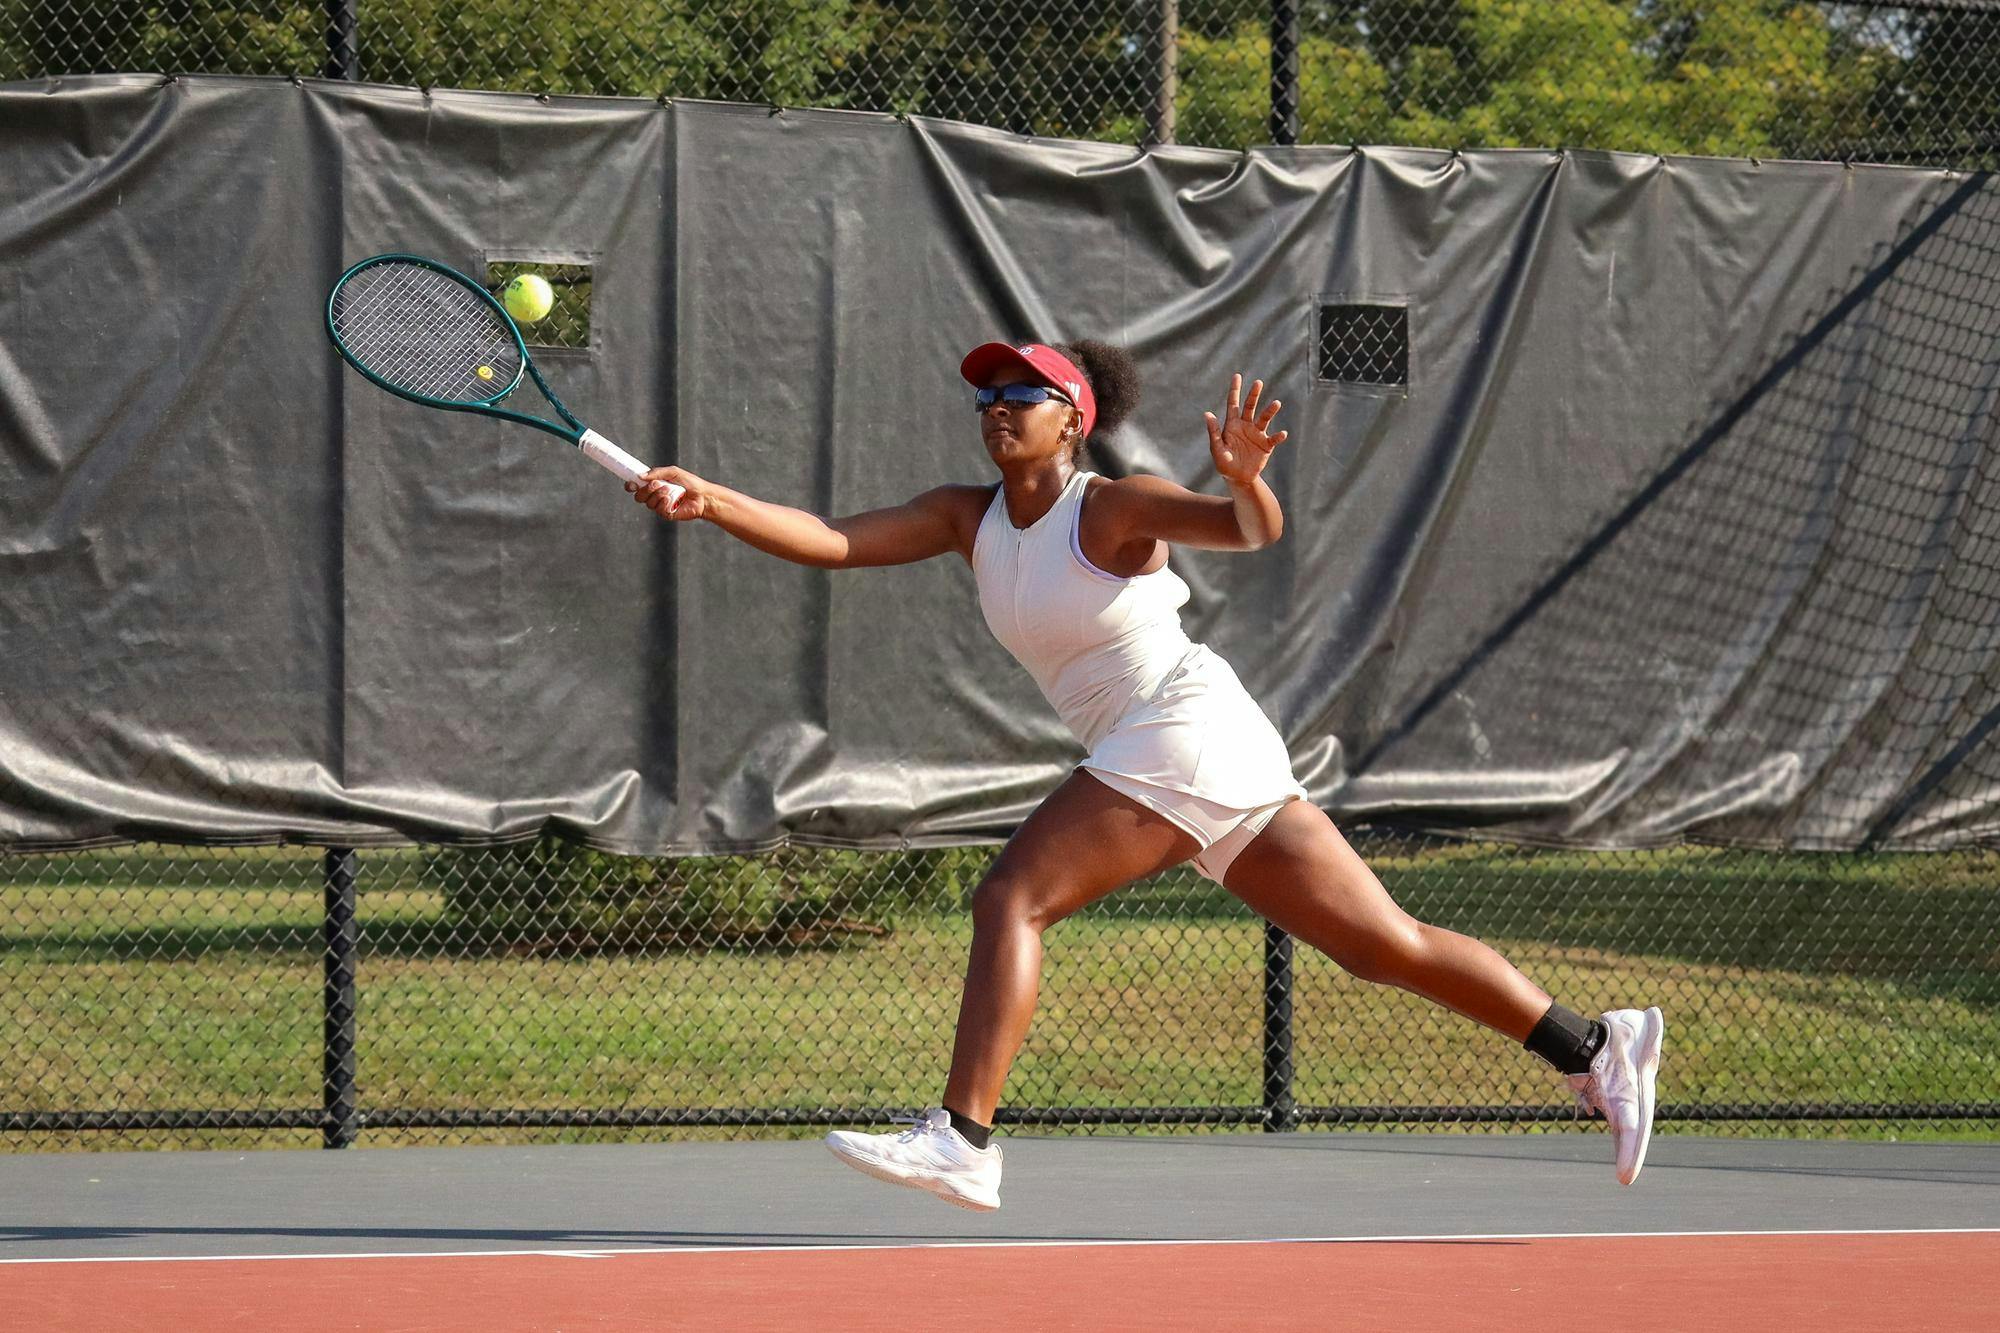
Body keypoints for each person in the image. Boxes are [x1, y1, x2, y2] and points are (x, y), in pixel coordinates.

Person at [628, 340, 1664, 1212]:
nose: (995, 409)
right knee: (1381, 947)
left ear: (1069, 418)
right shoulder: (963, 516)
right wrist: (709, 497)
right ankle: (1592, 1044)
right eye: (985, 396)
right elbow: (833, 540)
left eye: (1019, 396)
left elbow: (1246, 529)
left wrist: (1245, 478)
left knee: (1012, 898)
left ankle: (962, 1137)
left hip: (1179, 728)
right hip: (1190, 744)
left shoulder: (1113, 506)